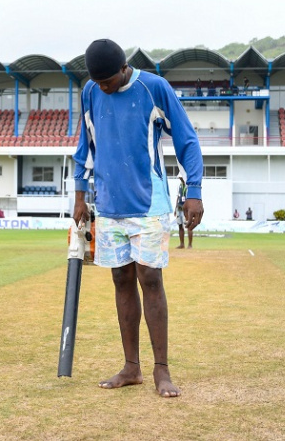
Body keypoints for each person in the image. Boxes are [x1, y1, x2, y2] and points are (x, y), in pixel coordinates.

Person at [73, 39, 203, 398]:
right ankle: (132, 368)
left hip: (150, 205)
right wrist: (80, 195)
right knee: (120, 279)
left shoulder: (154, 87)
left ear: (123, 69)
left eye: (108, 81)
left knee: (150, 278)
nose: (104, 88)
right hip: (109, 204)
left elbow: (187, 140)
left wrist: (194, 190)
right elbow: (85, 144)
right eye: (98, 82)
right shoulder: (90, 91)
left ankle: (162, 370)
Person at [174, 172, 192, 249]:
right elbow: (178, 197)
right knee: (180, 226)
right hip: (179, 208)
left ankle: (190, 245)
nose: (180, 179)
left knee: (189, 226)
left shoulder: (189, 186)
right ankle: (182, 244)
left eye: (181, 178)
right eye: (180, 178)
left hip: (186, 209)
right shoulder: (179, 186)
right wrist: (175, 208)